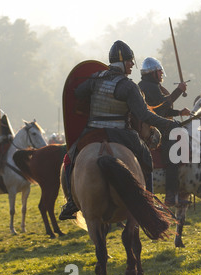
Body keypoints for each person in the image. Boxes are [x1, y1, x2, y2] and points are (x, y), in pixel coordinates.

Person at [59, 40, 179, 220]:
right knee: (145, 156)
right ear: (122, 62)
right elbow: (144, 116)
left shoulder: (95, 78)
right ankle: (149, 201)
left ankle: (71, 202)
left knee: (71, 158)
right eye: (130, 61)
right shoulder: (128, 86)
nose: (132, 65)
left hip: (93, 132)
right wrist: (169, 124)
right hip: (121, 132)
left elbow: (76, 93)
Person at [138, 57, 191, 207]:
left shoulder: (151, 86)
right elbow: (160, 109)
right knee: (172, 153)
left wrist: (179, 111)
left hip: (157, 123)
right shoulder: (147, 87)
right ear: (153, 73)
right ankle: (171, 195)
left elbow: (164, 108)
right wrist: (179, 91)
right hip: (153, 128)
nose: (161, 74)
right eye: (159, 72)